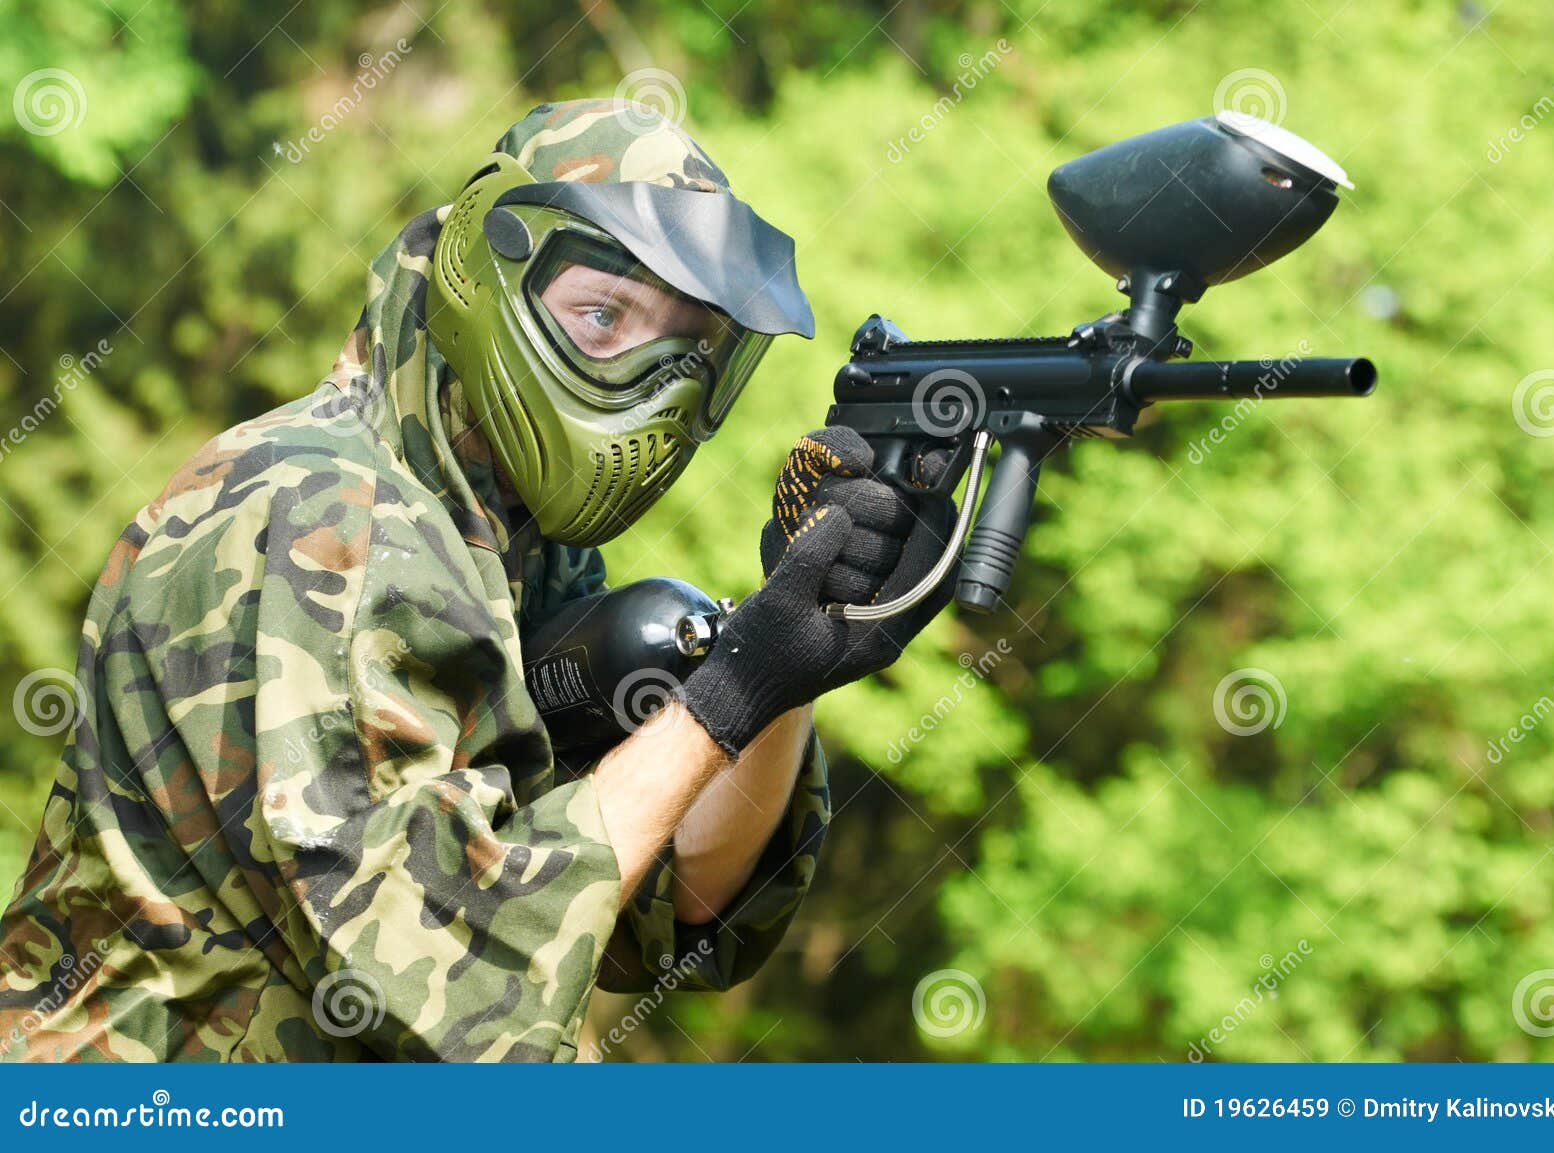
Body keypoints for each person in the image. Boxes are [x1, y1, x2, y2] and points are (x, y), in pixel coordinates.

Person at [0, 99, 954, 1062]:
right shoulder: (318, 508)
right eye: (601, 315)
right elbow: (434, 978)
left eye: (688, 350)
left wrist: (791, 654)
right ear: (480, 273)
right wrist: (735, 686)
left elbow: (667, 907)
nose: (650, 382)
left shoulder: (512, 553)